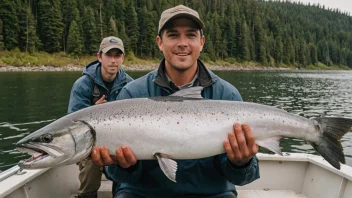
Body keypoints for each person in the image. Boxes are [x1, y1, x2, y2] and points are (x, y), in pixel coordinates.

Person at [91, 5, 260, 198]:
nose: (182, 43)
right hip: (143, 193)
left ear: (202, 42)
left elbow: (245, 177)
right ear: (159, 43)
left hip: (213, 193)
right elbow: (119, 176)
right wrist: (126, 166)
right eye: (173, 35)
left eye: (190, 35)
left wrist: (241, 163)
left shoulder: (227, 95)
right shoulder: (132, 94)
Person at [68, 36, 133, 198]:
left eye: (117, 55)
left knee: (127, 159)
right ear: (99, 57)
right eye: (109, 55)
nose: (113, 60)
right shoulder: (82, 85)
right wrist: (93, 112)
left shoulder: (131, 85)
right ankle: (87, 195)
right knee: (91, 160)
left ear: (122, 58)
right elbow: (72, 124)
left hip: (120, 140)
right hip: (89, 144)